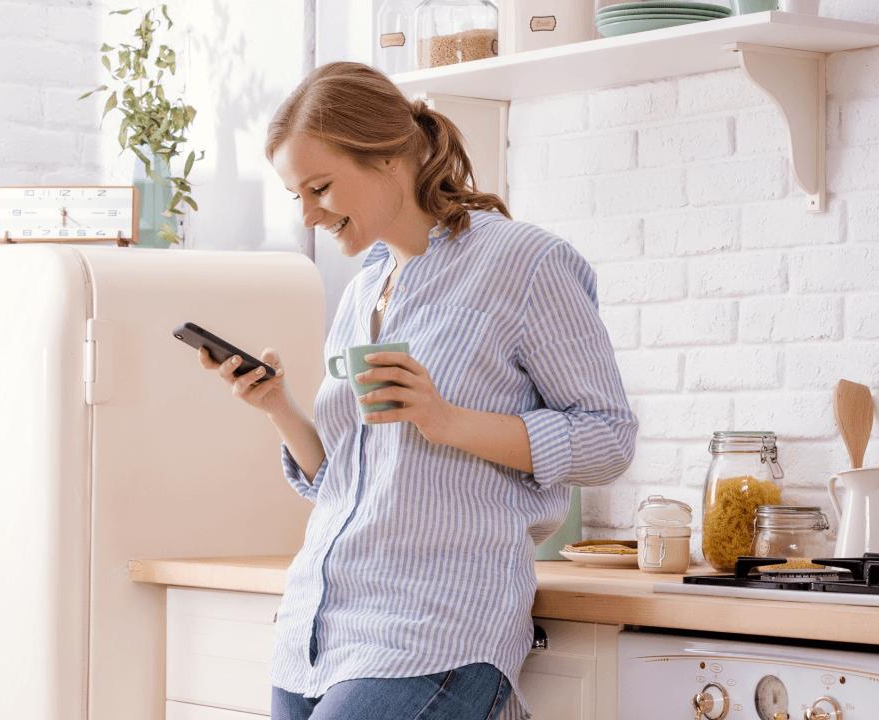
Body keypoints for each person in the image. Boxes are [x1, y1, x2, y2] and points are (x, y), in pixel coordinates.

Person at [196, 61, 637, 720]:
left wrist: (447, 419)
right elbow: (350, 481)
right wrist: (279, 408)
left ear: (387, 160)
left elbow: (608, 439)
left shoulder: (525, 265)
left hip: (434, 632)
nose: (311, 215)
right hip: (317, 634)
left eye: (321, 188)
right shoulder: (361, 293)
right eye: (298, 197)